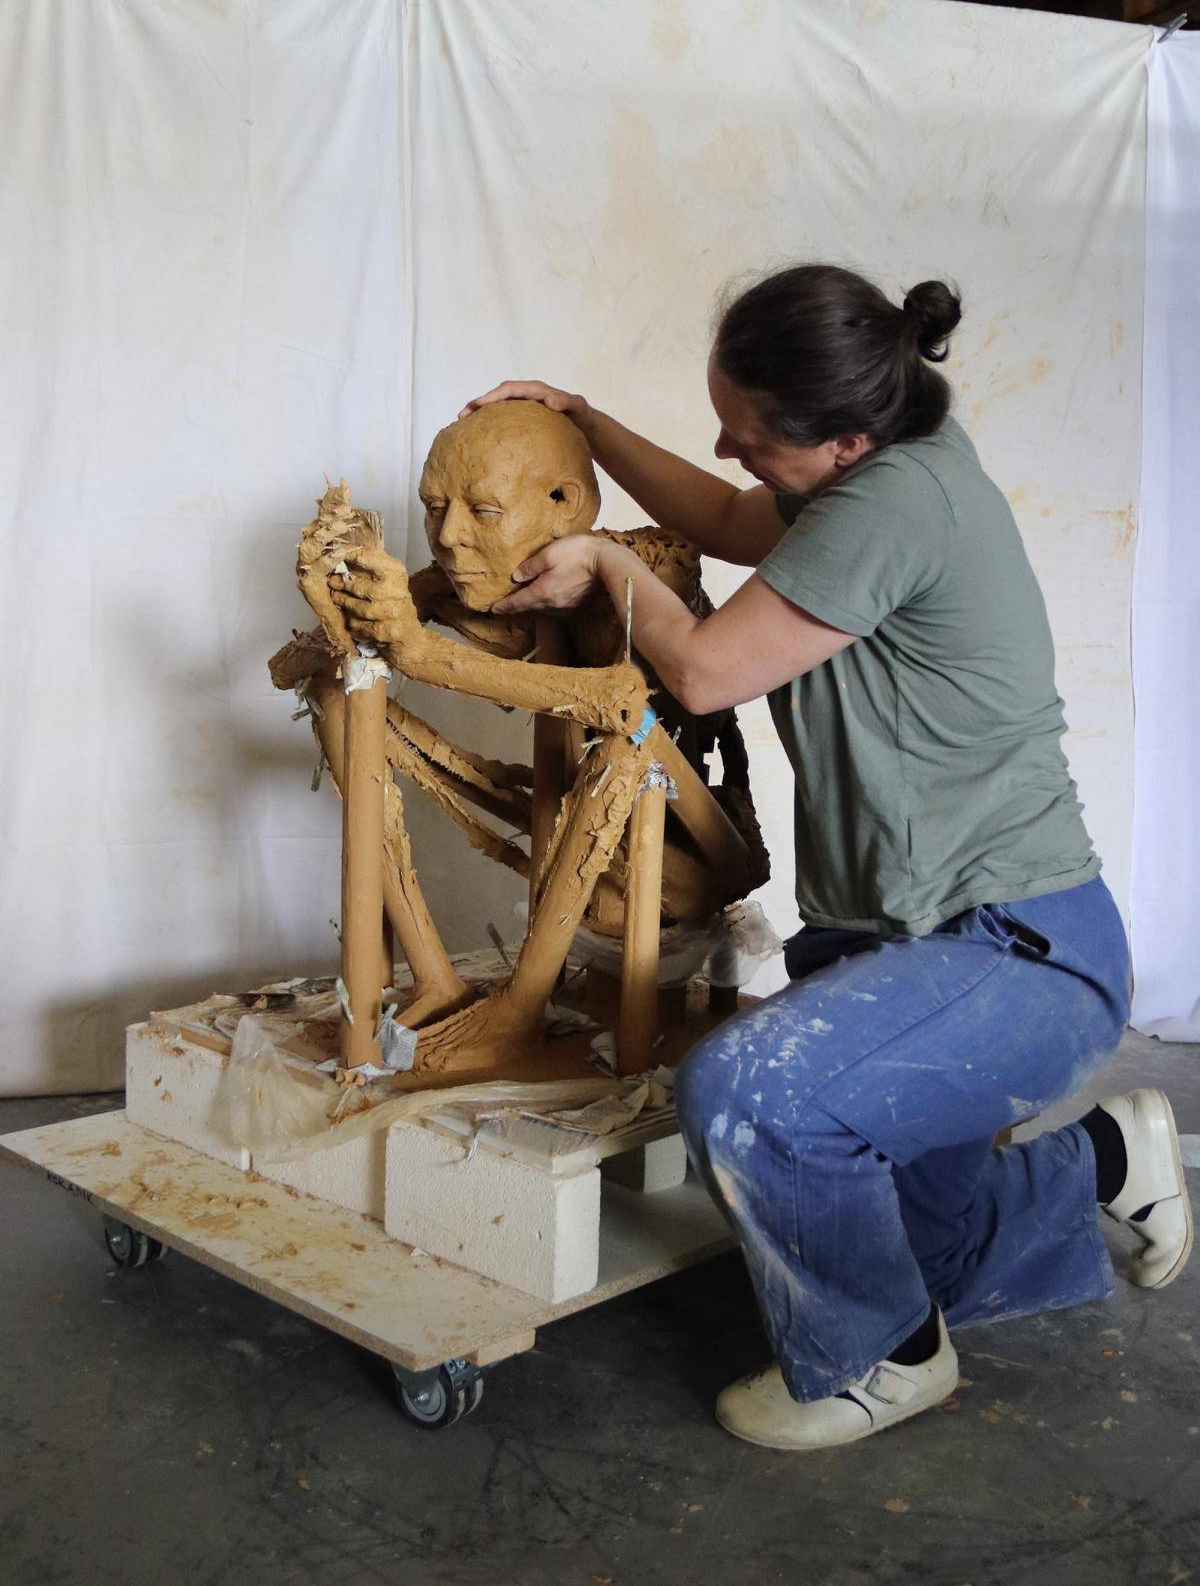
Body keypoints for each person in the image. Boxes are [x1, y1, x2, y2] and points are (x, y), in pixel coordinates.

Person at [460, 264, 1192, 1452]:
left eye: (751, 435)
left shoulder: (897, 506)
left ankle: (882, 1361)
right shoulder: (871, 472)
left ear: (845, 440)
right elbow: (725, 516)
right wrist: (586, 423)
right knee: (931, 1250)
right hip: (906, 941)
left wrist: (608, 565)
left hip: (1013, 947)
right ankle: (1106, 1158)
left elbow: (705, 670)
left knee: (754, 1099)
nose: (728, 448)